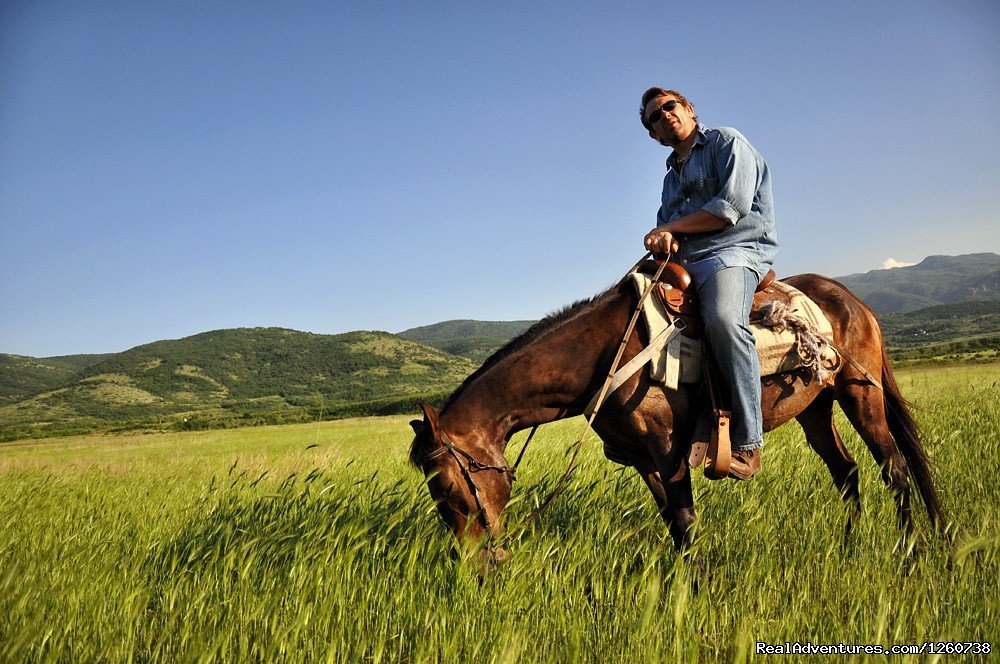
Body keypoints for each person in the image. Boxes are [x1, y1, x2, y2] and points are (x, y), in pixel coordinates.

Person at [639, 87, 778, 480]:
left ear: (689, 110)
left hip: (735, 251)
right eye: (655, 116)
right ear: (654, 134)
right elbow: (671, 225)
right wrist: (662, 238)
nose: (664, 115)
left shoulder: (726, 142)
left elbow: (729, 209)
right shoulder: (670, 179)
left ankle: (749, 444)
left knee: (721, 319)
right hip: (688, 260)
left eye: (671, 106)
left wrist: (668, 227)